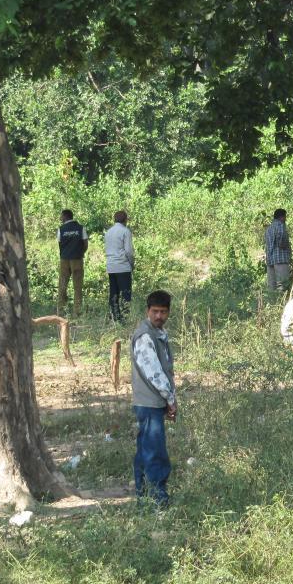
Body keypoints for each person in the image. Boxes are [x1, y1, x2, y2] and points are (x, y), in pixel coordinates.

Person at [130, 290, 177, 508]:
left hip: (152, 402)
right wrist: (170, 398)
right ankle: (158, 497)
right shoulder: (145, 336)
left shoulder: (158, 333)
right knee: (154, 450)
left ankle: (142, 493)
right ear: (148, 311)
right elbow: (154, 373)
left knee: (145, 448)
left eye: (163, 312)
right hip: (148, 402)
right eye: (155, 312)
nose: (159, 316)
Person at [105, 210, 135, 323]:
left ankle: (114, 316)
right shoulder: (125, 231)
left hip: (111, 266)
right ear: (125, 220)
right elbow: (128, 251)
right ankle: (125, 317)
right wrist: (132, 264)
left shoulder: (108, 232)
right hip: (122, 266)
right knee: (126, 293)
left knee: (114, 292)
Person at [57, 209, 88, 317]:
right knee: (78, 286)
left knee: (62, 285)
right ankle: (77, 312)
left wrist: (65, 253)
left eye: (61, 216)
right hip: (77, 259)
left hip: (64, 259)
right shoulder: (81, 228)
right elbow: (85, 244)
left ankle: (61, 311)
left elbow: (60, 244)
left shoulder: (61, 229)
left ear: (65, 217)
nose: (60, 218)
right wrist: (80, 253)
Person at [264, 208, 292, 294]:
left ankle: (272, 304)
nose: (285, 219)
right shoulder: (280, 225)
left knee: (271, 287)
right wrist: (286, 246)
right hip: (280, 259)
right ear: (282, 217)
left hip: (270, 260)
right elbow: (281, 239)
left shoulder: (269, 229)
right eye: (285, 217)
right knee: (283, 285)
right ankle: (282, 304)